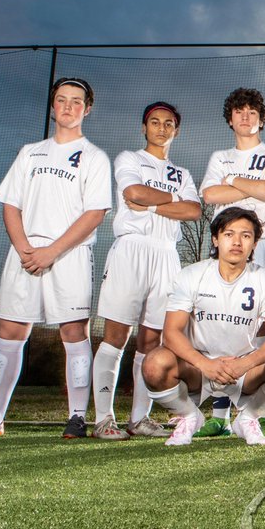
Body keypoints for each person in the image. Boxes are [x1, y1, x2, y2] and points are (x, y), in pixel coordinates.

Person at [0, 77, 111, 439]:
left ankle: (76, 417)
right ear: (52, 106)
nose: (68, 107)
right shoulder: (30, 152)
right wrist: (26, 247)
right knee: (10, 333)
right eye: (61, 100)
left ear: (87, 109)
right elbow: (11, 204)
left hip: (68, 255)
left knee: (74, 333)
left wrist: (52, 251)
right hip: (25, 253)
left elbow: (95, 213)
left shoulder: (94, 157)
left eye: (76, 102)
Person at [141, 207, 265, 447]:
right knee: (155, 364)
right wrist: (205, 364)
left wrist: (243, 364)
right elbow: (171, 332)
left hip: (244, 370)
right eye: (229, 234)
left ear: (255, 243)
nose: (237, 242)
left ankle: (248, 419)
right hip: (200, 368)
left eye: (246, 236)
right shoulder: (191, 275)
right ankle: (189, 416)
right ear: (216, 239)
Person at [91, 101, 201, 440]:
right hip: (132, 248)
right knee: (116, 335)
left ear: (176, 130)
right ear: (144, 127)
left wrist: (151, 204)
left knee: (152, 339)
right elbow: (132, 191)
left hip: (167, 254)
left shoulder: (182, 173)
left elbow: (194, 210)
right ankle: (103, 420)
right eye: (155, 122)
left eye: (169, 123)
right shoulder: (129, 159)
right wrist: (171, 202)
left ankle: (139, 419)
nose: (162, 128)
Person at [198, 87, 265, 436]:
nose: (245, 117)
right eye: (239, 112)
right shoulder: (219, 156)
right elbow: (209, 195)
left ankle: (261, 413)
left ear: (262, 118)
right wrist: (254, 186)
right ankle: (220, 415)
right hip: (227, 248)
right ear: (230, 119)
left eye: (252, 112)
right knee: (223, 325)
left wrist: (234, 182)